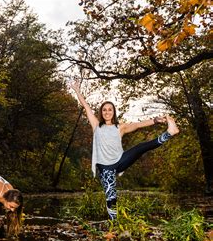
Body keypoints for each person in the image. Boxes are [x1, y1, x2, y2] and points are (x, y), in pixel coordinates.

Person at [71, 80, 179, 220]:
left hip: (119, 161)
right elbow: (86, 107)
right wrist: (77, 91)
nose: (107, 112)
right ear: (101, 113)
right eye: (104, 110)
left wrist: (156, 120)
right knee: (111, 195)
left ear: (114, 112)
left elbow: (139, 125)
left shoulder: (120, 127)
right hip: (105, 167)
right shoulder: (96, 126)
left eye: (110, 109)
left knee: (141, 147)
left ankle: (170, 132)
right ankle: (114, 224)